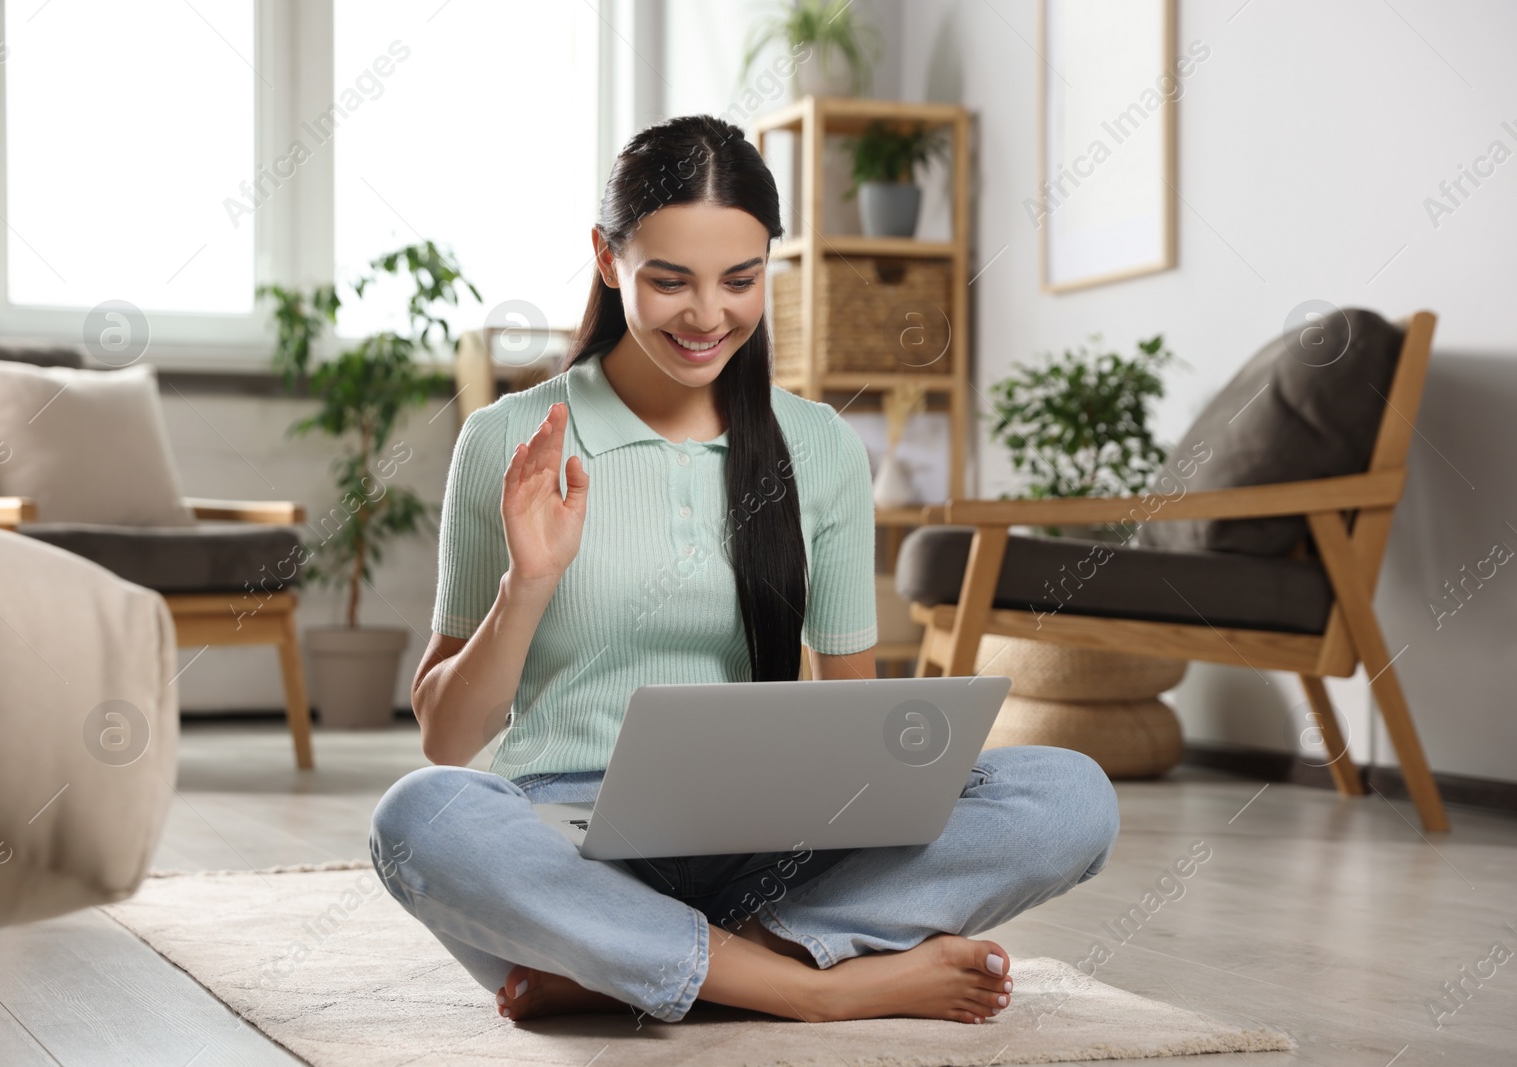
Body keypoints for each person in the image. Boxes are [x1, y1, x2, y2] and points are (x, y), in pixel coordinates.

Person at [370, 114, 1119, 1027]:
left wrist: (911, 770)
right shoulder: (509, 440)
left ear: (771, 264)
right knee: (421, 818)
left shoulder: (819, 445)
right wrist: (526, 582)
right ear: (607, 260)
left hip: (767, 842)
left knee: (1069, 792)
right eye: (670, 281)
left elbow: (859, 710)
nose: (708, 316)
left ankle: (646, 963)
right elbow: (448, 739)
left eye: (741, 280)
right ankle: (811, 982)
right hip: (565, 842)